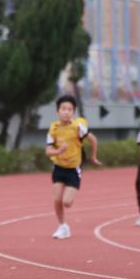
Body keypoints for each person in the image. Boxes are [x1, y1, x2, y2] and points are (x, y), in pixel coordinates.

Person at [45, 94, 100, 239]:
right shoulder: (53, 128)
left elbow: (93, 140)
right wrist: (58, 151)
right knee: (57, 199)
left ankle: (64, 224)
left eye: (70, 109)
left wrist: (93, 156)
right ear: (57, 111)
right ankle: (63, 226)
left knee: (67, 202)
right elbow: (48, 151)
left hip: (73, 170)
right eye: (63, 109)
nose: (66, 112)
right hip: (58, 167)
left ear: (73, 112)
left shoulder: (77, 127)